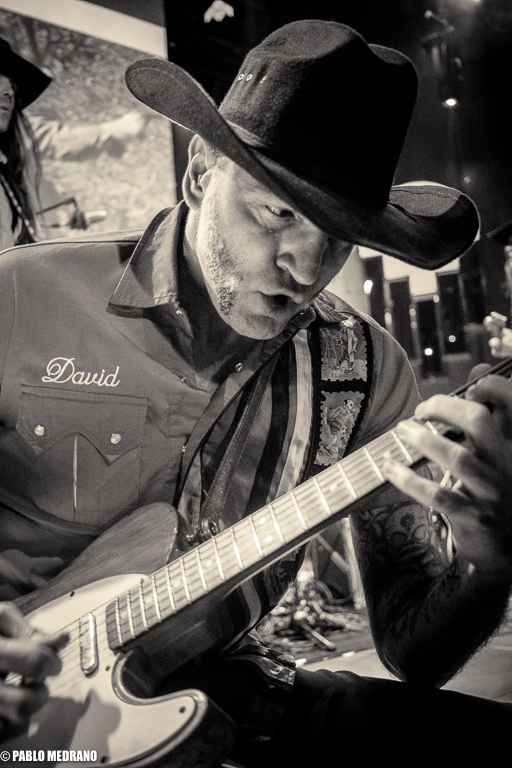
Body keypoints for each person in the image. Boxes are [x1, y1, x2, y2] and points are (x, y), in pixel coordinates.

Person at [0, 19, 511, 764]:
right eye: (278, 213)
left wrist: (488, 563)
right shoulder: (20, 298)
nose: (305, 267)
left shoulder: (365, 370)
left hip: (218, 692)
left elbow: (413, 652)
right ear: (199, 173)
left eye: (339, 237)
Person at [1, 36, 147, 248]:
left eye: (12, 87)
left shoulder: (8, 171)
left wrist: (58, 226)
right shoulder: (24, 136)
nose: (8, 93)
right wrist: (113, 130)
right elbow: (58, 139)